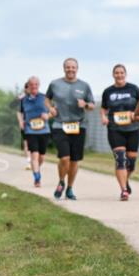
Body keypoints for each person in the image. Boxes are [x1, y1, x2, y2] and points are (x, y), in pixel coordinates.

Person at [46, 58, 95, 200]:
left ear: (77, 69)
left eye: (73, 67)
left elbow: (92, 105)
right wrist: (50, 108)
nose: (70, 70)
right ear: (64, 68)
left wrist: (85, 105)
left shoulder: (84, 86)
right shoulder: (55, 84)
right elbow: (47, 99)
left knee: (74, 160)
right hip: (59, 125)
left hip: (79, 126)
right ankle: (61, 181)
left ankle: (69, 188)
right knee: (64, 157)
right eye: (68, 67)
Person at [101, 65, 139, 201]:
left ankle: (125, 180)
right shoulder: (108, 91)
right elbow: (103, 108)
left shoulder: (133, 89)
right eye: (117, 73)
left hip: (132, 129)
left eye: (121, 73)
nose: (119, 75)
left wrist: (135, 114)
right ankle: (124, 190)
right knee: (120, 159)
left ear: (125, 74)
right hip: (115, 128)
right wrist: (103, 117)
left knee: (131, 163)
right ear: (113, 75)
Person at [17, 76, 50, 187]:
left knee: (42, 157)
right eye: (31, 85)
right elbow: (19, 112)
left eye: (36, 84)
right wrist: (21, 121)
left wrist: (48, 116)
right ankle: (37, 178)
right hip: (30, 131)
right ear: (28, 86)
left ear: (38, 85)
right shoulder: (23, 99)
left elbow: (54, 111)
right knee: (34, 155)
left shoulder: (44, 98)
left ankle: (36, 169)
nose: (34, 86)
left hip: (44, 131)